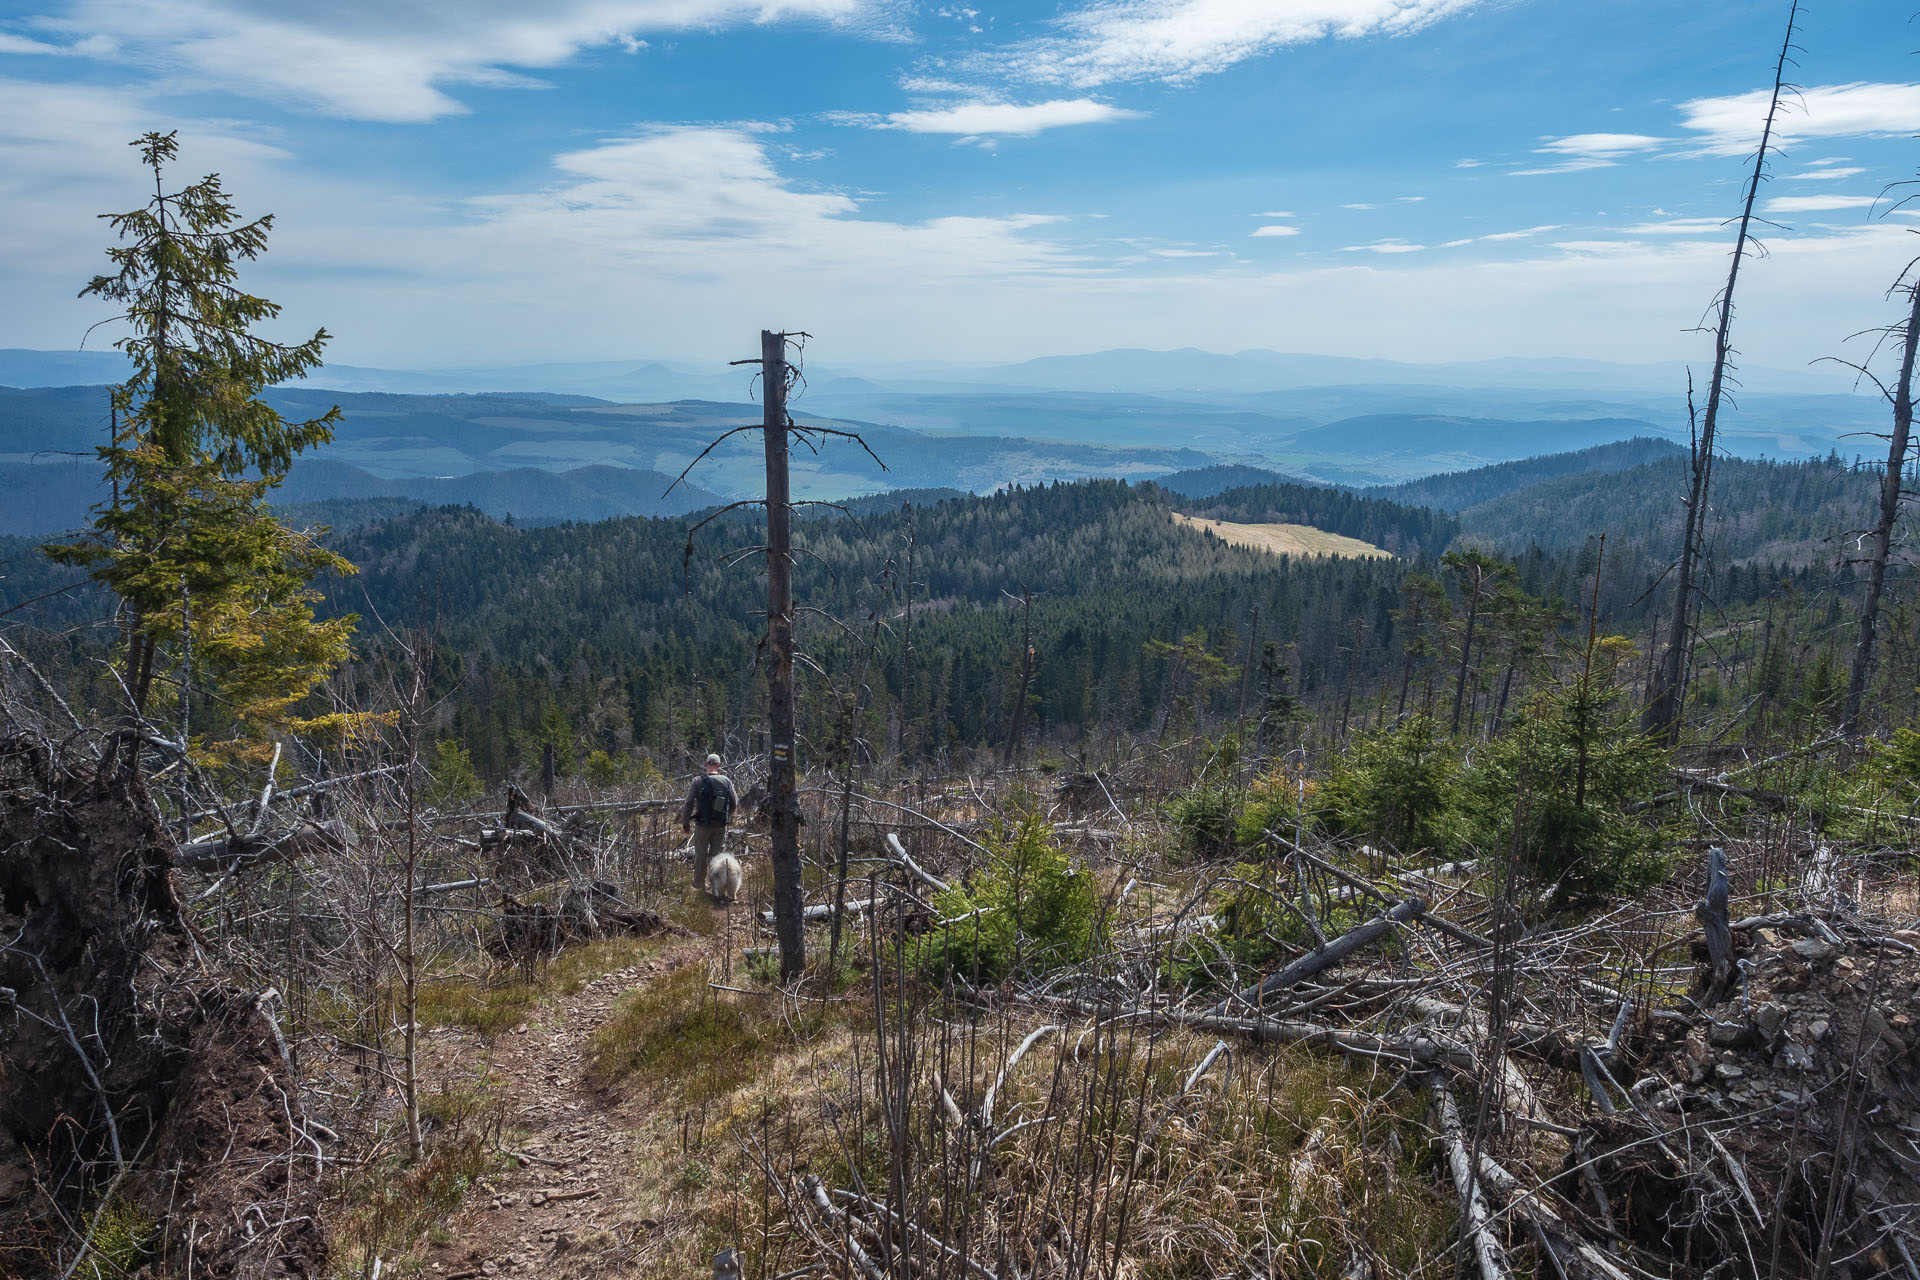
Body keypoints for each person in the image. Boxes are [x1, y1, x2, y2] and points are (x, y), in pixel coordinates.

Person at [681, 753, 737, 893]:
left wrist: (685, 823)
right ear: (719, 765)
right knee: (717, 857)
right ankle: (716, 887)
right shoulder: (726, 781)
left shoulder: (698, 780)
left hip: (702, 825)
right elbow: (735, 803)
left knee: (700, 855)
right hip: (720, 825)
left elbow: (688, 804)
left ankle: (699, 885)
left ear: (706, 764)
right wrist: (725, 816)